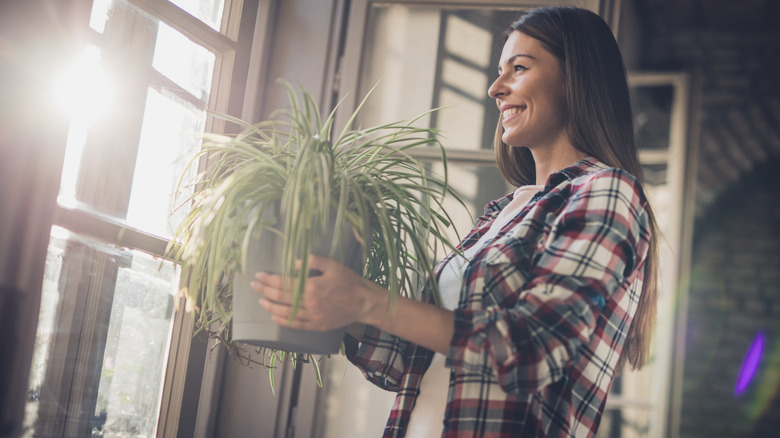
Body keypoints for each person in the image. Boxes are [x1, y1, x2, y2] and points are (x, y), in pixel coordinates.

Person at [252, 5, 658, 437]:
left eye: (518, 68)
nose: (495, 89)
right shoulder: (503, 212)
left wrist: (364, 299)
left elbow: (531, 349)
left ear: (576, 77)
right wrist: (333, 303)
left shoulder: (606, 192)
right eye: (499, 71)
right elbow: (414, 361)